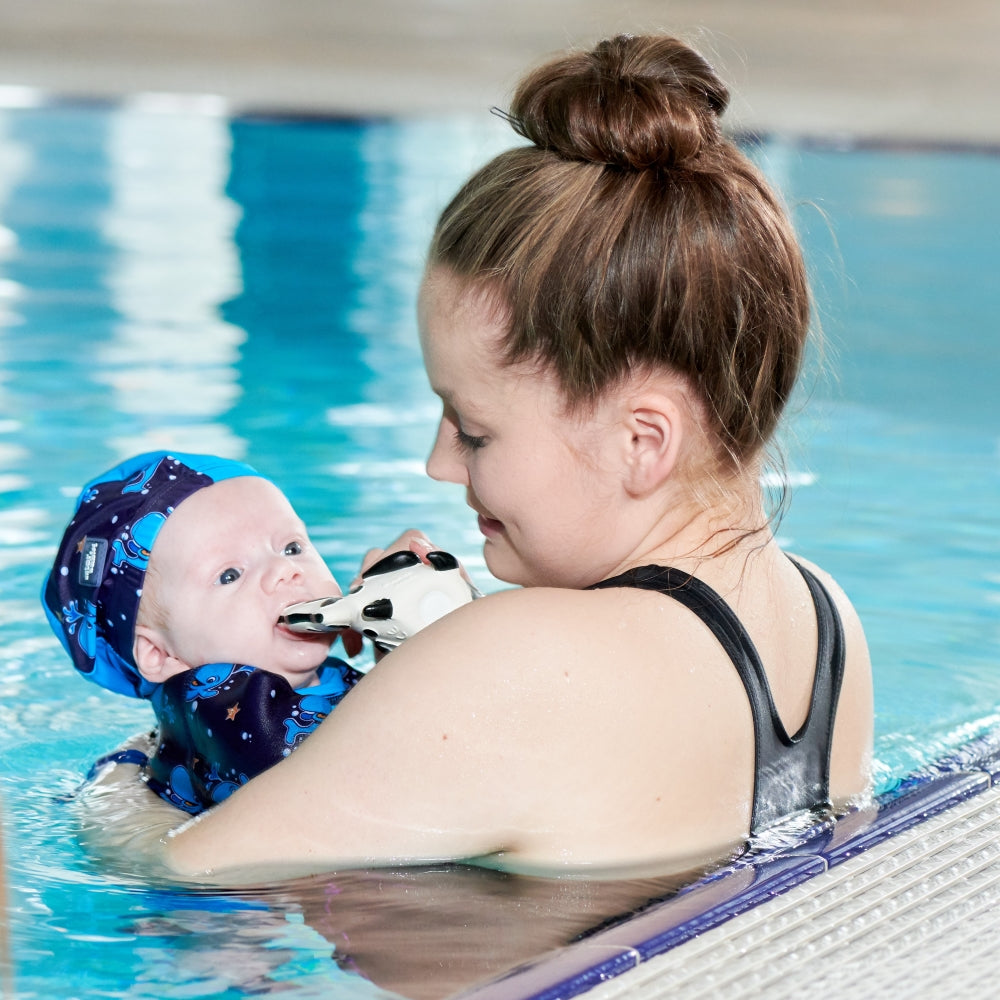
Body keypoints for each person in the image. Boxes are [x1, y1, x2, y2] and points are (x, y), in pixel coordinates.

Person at [105, 33, 874, 882]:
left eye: (472, 430)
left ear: (641, 442)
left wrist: (138, 771)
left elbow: (174, 872)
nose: (440, 463)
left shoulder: (512, 661)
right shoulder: (828, 618)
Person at [43, 451, 363, 813]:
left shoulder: (321, 673)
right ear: (160, 654)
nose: (285, 570)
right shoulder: (217, 703)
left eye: (292, 547)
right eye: (230, 575)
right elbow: (350, 771)